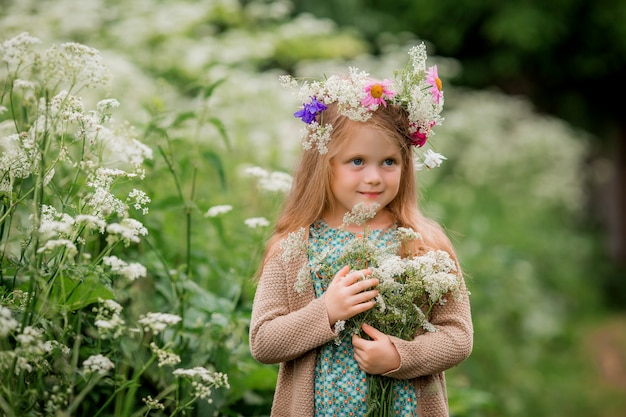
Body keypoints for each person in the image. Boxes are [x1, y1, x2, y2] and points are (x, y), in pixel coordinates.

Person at [249, 44, 473, 417]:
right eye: (357, 161)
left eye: (389, 161)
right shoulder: (294, 247)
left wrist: (400, 356)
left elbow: (458, 337)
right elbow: (263, 341)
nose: (373, 176)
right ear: (325, 164)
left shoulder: (423, 244)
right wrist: (326, 311)